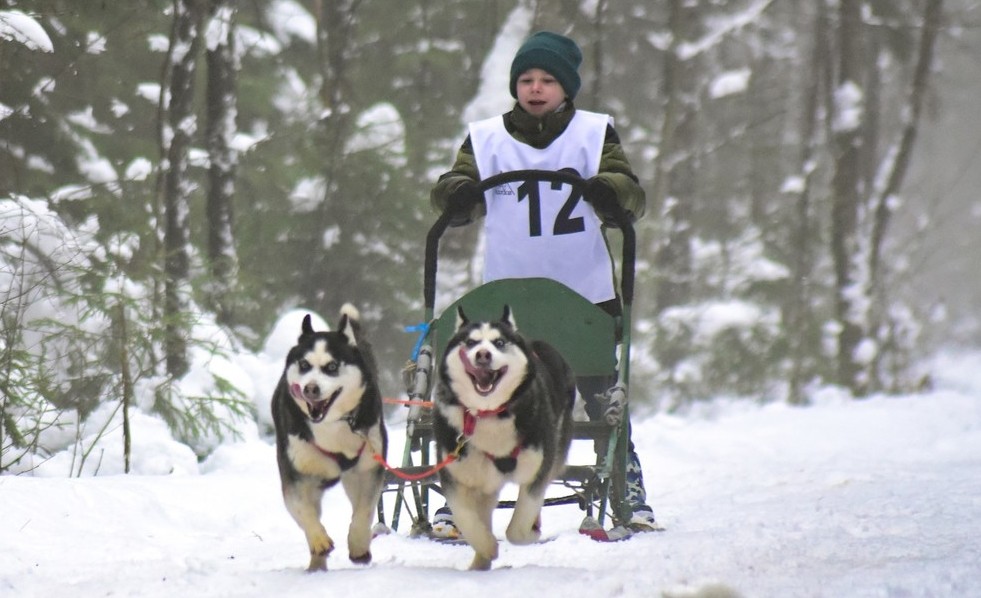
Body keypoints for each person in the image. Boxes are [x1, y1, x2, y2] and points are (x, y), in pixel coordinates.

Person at [427, 30, 662, 536]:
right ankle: (458, 495)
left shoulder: (595, 134)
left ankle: (629, 492)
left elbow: (630, 193)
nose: (535, 89)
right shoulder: (486, 137)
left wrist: (610, 190)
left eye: (548, 80)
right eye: (527, 80)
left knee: (601, 397)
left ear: (567, 88)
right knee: (479, 396)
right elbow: (453, 183)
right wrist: (458, 194)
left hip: (584, 293)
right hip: (506, 299)